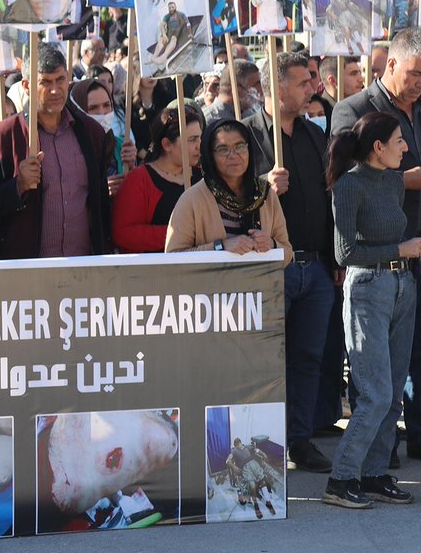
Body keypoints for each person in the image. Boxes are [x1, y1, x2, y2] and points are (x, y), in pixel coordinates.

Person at [242, 51, 336, 473]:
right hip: (269, 267)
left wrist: (335, 257)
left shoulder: (315, 134)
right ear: (273, 89)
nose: (311, 89)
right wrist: (262, 187)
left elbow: (328, 197)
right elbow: (222, 195)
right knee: (265, 361)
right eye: (301, 83)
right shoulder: (243, 136)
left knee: (308, 357)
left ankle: (299, 438)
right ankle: (262, 444)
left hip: (314, 266)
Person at [333, 28, 421, 461]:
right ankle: (361, 466)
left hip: (410, 262)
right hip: (376, 266)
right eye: (415, 74)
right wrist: (407, 180)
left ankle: (391, 459)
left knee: (404, 366)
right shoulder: (353, 110)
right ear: (391, 64)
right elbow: (351, 180)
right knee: (376, 383)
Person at [324, 112, 420, 507]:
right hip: (367, 289)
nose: (406, 146)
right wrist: (400, 249)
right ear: (378, 148)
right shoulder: (348, 187)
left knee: (394, 391)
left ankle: (375, 473)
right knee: (376, 394)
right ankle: (341, 478)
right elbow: (344, 253)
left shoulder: (393, 180)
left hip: (402, 286)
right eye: (399, 140)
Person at [0, 45, 114, 259]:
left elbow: (99, 203)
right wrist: (18, 186)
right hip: (28, 275)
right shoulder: (2, 137)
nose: (55, 90)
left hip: (85, 269)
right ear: (26, 86)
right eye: (45, 82)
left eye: (60, 80)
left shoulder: (91, 133)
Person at [165, 120, 291, 261]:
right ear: (210, 156)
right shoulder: (192, 199)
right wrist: (220, 247)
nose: (233, 155)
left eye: (240, 146)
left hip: (260, 282)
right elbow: (173, 257)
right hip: (215, 283)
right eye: (223, 149)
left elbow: (287, 252)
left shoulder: (265, 194)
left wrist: (272, 245)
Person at [112, 106, 202, 253]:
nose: (199, 146)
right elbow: (123, 233)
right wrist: (178, 234)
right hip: (155, 270)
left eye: (200, 138)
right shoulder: (139, 180)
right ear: (167, 144)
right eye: (192, 140)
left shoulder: (202, 177)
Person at [226, 438, 278, 520]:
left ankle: (268, 502)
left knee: (263, 481)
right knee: (252, 486)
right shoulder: (234, 451)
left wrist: (263, 453)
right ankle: (256, 506)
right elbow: (228, 461)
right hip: (245, 468)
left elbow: (256, 450)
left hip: (254, 465)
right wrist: (234, 466)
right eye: (237, 444)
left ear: (241, 442)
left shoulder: (247, 447)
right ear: (235, 445)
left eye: (239, 443)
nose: (238, 445)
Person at [203, 60, 260, 125]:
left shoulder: (252, 114)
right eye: (256, 85)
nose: (259, 90)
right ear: (236, 89)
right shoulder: (209, 121)